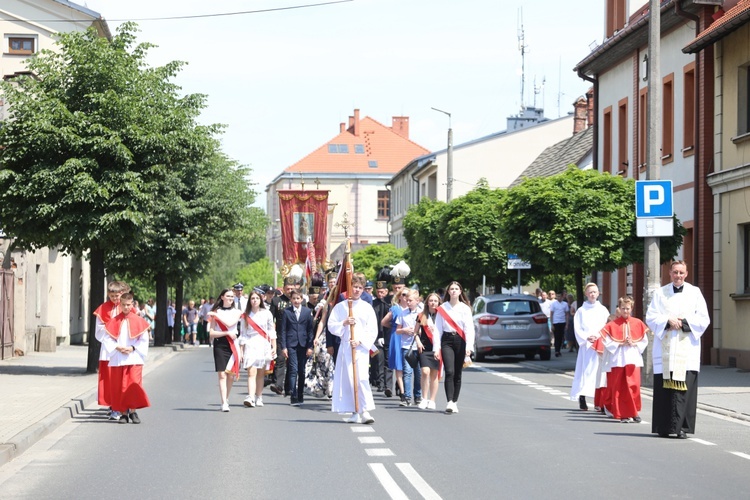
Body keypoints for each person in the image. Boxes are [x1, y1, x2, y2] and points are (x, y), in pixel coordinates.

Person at [646, 260, 710, 439]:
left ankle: (682, 428)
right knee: (665, 390)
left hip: (686, 350)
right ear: (670, 273)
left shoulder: (695, 292)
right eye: (675, 272)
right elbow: (651, 316)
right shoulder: (660, 293)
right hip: (666, 350)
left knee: (684, 391)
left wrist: (683, 323)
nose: (678, 276)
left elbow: (704, 319)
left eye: (681, 273)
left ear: (686, 273)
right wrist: (667, 321)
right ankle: (664, 427)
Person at [327, 274, 378, 424]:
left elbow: (372, 329)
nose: (357, 290)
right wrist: (344, 323)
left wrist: (361, 341)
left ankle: (366, 410)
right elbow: (331, 325)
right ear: (350, 288)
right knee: (349, 379)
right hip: (346, 347)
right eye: (355, 287)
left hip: (360, 348)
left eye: (360, 288)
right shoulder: (341, 307)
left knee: (362, 378)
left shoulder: (367, 307)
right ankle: (355, 411)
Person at [101, 292, 150, 424]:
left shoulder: (139, 321)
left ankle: (133, 412)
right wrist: (117, 347)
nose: (126, 307)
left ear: (132, 304)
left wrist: (132, 348)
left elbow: (143, 339)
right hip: (118, 358)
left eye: (128, 305)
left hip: (134, 358)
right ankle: (123, 413)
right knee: (119, 386)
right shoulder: (114, 321)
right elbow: (107, 339)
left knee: (133, 385)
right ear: (120, 305)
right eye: (123, 305)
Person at [600, 296, 649, 423]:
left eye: (627, 308)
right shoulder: (612, 324)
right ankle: (623, 414)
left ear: (631, 308)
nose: (625, 311)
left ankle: (634, 412)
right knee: (620, 387)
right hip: (618, 358)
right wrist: (619, 344)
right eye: (623, 308)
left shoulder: (638, 323)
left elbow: (644, 341)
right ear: (619, 309)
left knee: (633, 386)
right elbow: (607, 340)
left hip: (632, 357)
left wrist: (633, 343)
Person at [435, 281, 475, 414]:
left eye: (456, 289)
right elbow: (437, 329)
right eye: (451, 289)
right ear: (448, 292)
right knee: (449, 371)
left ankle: (455, 401)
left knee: (458, 373)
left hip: (460, 341)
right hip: (446, 341)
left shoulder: (465, 308)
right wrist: (436, 347)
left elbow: (469, 329)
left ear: (460, 292)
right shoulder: (443, 308)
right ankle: (449, 401)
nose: (453, 291)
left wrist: (469, 346)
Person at [569, 283, 610, 411]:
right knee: (585, 371)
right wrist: (587, 337)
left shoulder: (603, 310)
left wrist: (598, 336)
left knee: (600, 372)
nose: (592, 294)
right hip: (587, 346)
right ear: (586, 294)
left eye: (595, 292)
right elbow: (578, 328)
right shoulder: (581, 311)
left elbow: (607, 326)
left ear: (598, 293)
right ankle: (582, 397)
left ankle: (600, 401)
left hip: (600, 344)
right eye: (590, 292)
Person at [93, 280, 129, 420]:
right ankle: (113, 406)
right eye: (112, 296)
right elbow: (99, 331)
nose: (115, 299)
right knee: (109, 379)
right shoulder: (103, 308)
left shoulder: (125, 307)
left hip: (123, 347)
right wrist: (112, 340)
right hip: (109, 349)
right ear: (108, 295)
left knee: (122, 379)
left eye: (117, 296)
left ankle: (122, 405)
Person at [207, 288, 243, 412]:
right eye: (228, 296)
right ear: (222, 297)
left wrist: (217, 316)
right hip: (220, 344)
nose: (230, 298)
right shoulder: (215, 312)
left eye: (232, 296)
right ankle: (223, 402)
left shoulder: (237, 312)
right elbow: (211, 333)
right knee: (222, 374)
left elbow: (230, 323)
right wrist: (226, 333)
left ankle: (226, 398)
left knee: (230, 375)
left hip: (232, 344)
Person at [240, 290, 276, 408]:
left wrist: (274, 346)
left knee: (260, 373)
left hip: (263, 344)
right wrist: (241, 350)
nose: (254, 300)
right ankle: (250, 397)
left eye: (257, 298)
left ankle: (259, 397)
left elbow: (271, 331)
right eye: (252, 298)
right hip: (251, 344)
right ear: (249, 301)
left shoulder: (266, 313)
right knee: (251, 372)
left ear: (261, 300)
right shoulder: (245, 315)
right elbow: (243, 334)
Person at [280, 290, 314, 406]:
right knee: (293, 369)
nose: (296, 300)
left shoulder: (307, 312)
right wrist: (284, 347)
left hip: (303, 344)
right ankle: (293, 395)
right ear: (291, 300)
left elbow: (310, 330)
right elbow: (283, 330)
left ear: (302, 299)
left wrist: (310, 346)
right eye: (293, 298)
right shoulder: (287, 312)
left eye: (298, 298)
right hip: (291, 344)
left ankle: (300, 394)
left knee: (302, 370)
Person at [395, 289, 423, 407]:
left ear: (417, 301)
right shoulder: (403, 313)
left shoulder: (421, 313)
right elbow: (397, 330)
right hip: (406, 346)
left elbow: (427, 329)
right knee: (407, 371)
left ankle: (418, 395)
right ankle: (407, 397)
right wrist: (404, 330)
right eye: (407, 300)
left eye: (410, 300)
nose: (408, 302)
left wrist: (418, 331)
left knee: (419, 373)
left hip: (419, 346)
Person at [382, 288, 409, 405]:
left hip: (409, 338)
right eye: (403, 295)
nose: (405, 297)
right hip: (397, 337)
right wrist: (394, 327)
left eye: (408, 295)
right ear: (399, 296)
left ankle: (411, 392)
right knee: (398, 366)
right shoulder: (395, 309)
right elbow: (383, 322)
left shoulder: (412, 309)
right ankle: (403, 393)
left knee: (408, 367)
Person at [415, 292, 441, 410]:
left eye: (435, 301)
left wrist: (435, 329)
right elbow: (415, 332)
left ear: (439, 302)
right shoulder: (421, 316)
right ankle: (424, 398)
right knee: (425, 371)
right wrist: (418, 342)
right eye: (431, 301)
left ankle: (432, 400)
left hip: (437, 347)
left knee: (434, 374)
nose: (433, 303)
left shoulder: (442, 316)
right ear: (427, 302)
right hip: (424, 347)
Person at [269, 277, 294, 396]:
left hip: (294, 336)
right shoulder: (276, 301)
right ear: (283, 289)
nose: (289, 291)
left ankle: (289, 387)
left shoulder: (299, 301)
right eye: (287, 289)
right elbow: (270, 319)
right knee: (280, 360)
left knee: (291, 362)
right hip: (280, 335)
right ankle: (279, 385)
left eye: (291, 289)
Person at [371, 281, 391, 395]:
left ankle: (387, 385)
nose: (380, 294)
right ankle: (380, 382)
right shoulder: (373, 304)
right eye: (378, 292)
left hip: (387, 335)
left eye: (382, 292)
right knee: (378, 359)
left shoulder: (389, 304)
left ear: (386, 291)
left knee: (387, 360)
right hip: (375, 336)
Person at [549, 291, 569, 357]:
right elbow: (551, 314)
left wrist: (567, 324)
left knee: (561, 337)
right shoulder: (554, 304)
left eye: (559, 296)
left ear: (562, 297)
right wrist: (551, 324)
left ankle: (559, 350)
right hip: (556, 322)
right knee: (556, 336)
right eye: (557, 296)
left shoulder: (565, 304)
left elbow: (567, 314)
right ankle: (556, 350)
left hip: (562, 322)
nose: (558, 298)